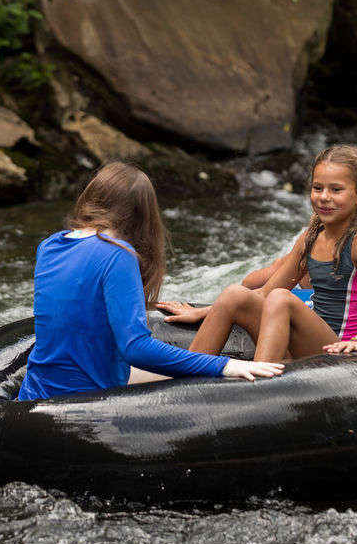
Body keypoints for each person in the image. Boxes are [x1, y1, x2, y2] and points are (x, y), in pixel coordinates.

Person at [17, 162, 283, 401]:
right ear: (142, 217)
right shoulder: (117, 254)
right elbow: (135, 348)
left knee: (165, 375)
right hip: (83, 403)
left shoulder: (50, 245)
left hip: (34, 395)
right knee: (199, 379)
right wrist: (226, 366)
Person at [159, 144, 357, 361]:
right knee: (236, 293)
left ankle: (260, 380)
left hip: (342, 348)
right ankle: (188, 370)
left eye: (336, 190)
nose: (323, 197)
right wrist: (201, 311)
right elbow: (265, 292)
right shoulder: (311, 237)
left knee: (282, 298)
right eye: (318, 188)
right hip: (308, 346)